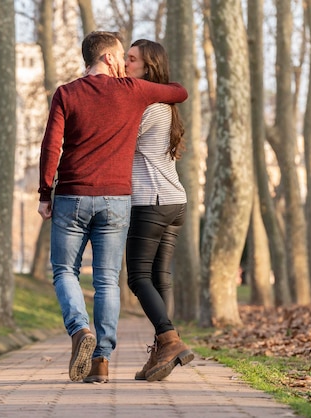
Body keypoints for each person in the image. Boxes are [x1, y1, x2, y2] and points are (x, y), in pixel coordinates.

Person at [37, 31, 188, 384]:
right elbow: (179, 91)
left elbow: (51, 146)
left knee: (64, 272)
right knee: (107, 280)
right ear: (108, 58)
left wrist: (45, 193)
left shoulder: (66, 93)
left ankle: (80, 330)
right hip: (118, 200)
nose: (123, 63)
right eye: (121, 56)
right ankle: (101, 361)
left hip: (73, 195)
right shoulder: (133, 92)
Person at [124, 39, 194, 382]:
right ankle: (160, 354)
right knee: (159, 277)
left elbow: (119, 141)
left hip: (151, 202)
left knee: (138, 278)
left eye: (132, 59)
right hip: (174, 201)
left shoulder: (150, 107)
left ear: (148, 67)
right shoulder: (165, 105)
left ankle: (169, 339)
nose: (125, 63)